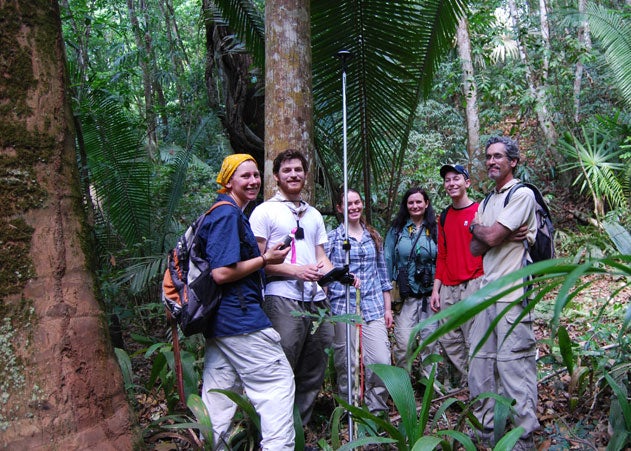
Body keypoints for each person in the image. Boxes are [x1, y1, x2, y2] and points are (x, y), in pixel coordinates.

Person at [198, 154, 295, 450]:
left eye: (256, 175)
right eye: (245, 176)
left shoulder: (226, 213)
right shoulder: (227, 214)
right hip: (241, 320)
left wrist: (264, 259)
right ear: (228, 181)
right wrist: (265, 259)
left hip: (221, 324)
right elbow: (221, 273)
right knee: (277, 384)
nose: (253, 181)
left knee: (218, 398)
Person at [249, 149, 335, 426]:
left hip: (316, 299)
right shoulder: (264, 212)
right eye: (287, 170)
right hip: (282, 298)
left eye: (298, 169)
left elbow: (320, 257)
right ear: (276, 176)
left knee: (314, 368)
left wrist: (339, 275)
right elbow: (257, 262)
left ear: (306, 175)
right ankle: (272, 432)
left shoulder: (313, 215)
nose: (293, 174)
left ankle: (299, 430)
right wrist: (296, 271)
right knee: (281, 366)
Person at [468, 136, 539, 450]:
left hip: (512, 291)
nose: (491, 161)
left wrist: (490, 233)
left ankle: (523, 433)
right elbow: (476, 246)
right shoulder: (486, 201)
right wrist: (483, 232)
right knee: (481, 361)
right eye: (488, 157)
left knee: (514, 362)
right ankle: (485, 427)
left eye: (498, 156)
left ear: (513, 161)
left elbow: (493, 236)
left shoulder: (521, 194)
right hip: (486, 290)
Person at [325, 188, 393, 414]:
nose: (353, 207)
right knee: (347, 363)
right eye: (348, 204)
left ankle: (377, 411)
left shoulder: (374, 236)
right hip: (343, 307)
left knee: (381, 361)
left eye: (357, 202)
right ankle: (349, 412)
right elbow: (325, 276)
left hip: (373, 307)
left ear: (362, 204)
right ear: (339, 208)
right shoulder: (333, 238)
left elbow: (383, 275)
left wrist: (388, 309)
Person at [429, 164, 484, 389]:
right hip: (448, 286)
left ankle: (479, 385)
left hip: (474, 282)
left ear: (467, 183)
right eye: (447, 180)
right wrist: (435, 289)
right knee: (449, 338)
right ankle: (467, 380)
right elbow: (442, 255)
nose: (451, 183)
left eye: (456, 179)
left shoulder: (480, 211)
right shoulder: (443, 217)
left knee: (475, 337)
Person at [384, 187, 438, 379]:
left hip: (430, 295)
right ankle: (402, 382)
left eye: (419, 202)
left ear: (426, 204)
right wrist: (387, 301)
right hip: (405, 296)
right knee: (403, 342)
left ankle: (429, 383)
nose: (415, 206)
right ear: (406, 206)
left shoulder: (435, 228)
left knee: (430, 342)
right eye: (411, 202)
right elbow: (388, 261)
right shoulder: (398, 230)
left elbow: (443, 259)